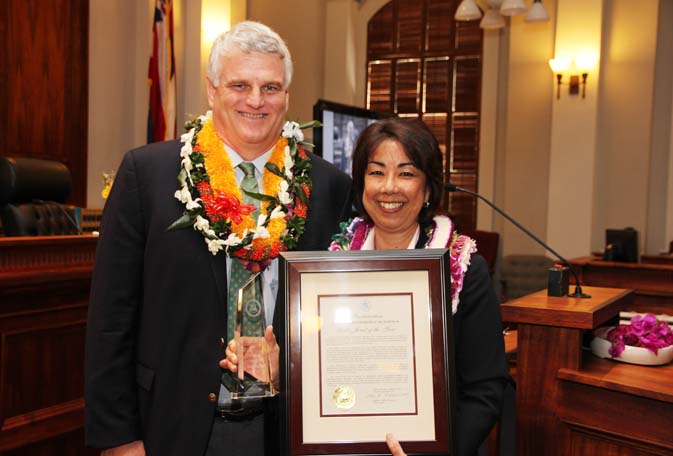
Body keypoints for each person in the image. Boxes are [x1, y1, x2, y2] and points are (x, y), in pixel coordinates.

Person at [85, 21, 352, 456]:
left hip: (285, 429)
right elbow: (110, 318)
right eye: (240, 84)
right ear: (212, 91)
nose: (255, 100)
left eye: (271, 87)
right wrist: (117, 436)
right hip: (171, 423)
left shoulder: (327, 186)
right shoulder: (146, 175)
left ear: (286, 96)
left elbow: (337, 314)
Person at [329, 117, 509, 456]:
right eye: (376, 172)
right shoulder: (332, 263)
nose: (389, 187)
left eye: (407, 173)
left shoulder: (465, 269)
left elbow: (485, 390)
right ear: (361, 183)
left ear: (427, 189)